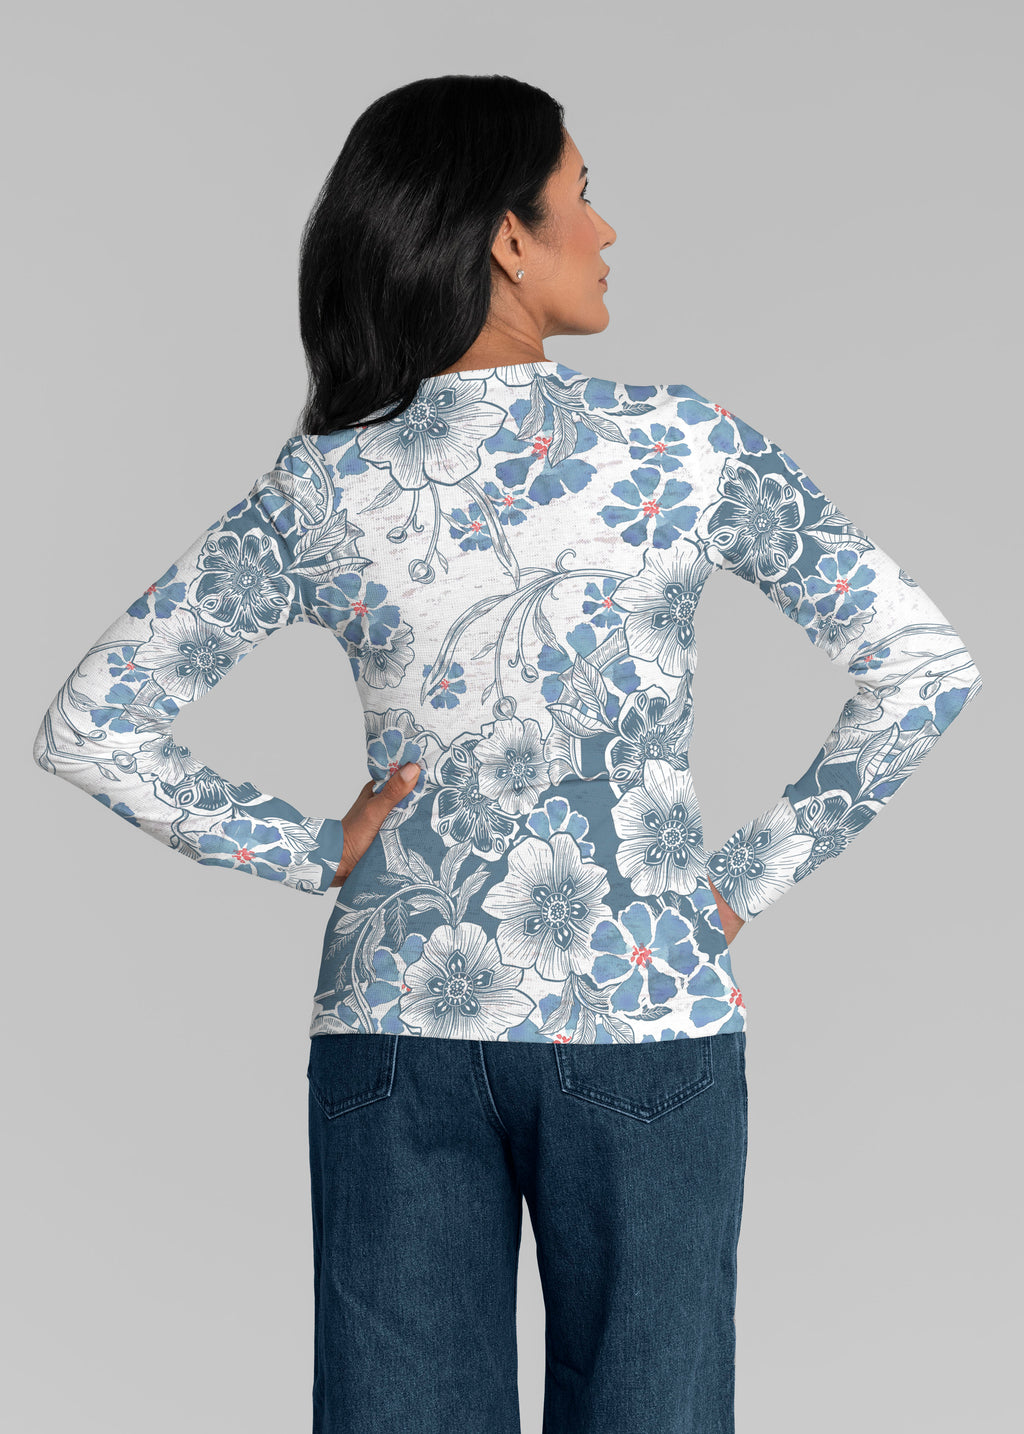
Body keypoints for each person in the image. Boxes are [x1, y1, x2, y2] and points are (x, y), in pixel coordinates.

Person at [31, 73, 983, 1434]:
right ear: (507, 238)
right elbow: (923, 664)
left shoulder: (325, 482)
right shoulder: (685, 444)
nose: (609, 228)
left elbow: (94, 720)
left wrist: (313, 849)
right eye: (584, 194)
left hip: (396, 1023)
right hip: (645, 1015)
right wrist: (734, 888)